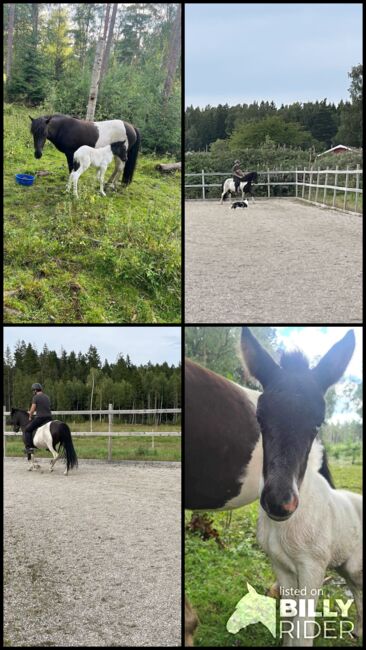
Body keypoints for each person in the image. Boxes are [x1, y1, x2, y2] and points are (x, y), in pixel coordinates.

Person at [23, 383, 53, 453]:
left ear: (35, 390)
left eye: (33, 391)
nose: (33, 392)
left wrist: (30, 416)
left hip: (40, 418)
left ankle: (29, 448)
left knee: (27, 430)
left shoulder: (35, 397)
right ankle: (50, 447)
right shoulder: (47, 397)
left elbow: (32, 410)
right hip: (49, 418)